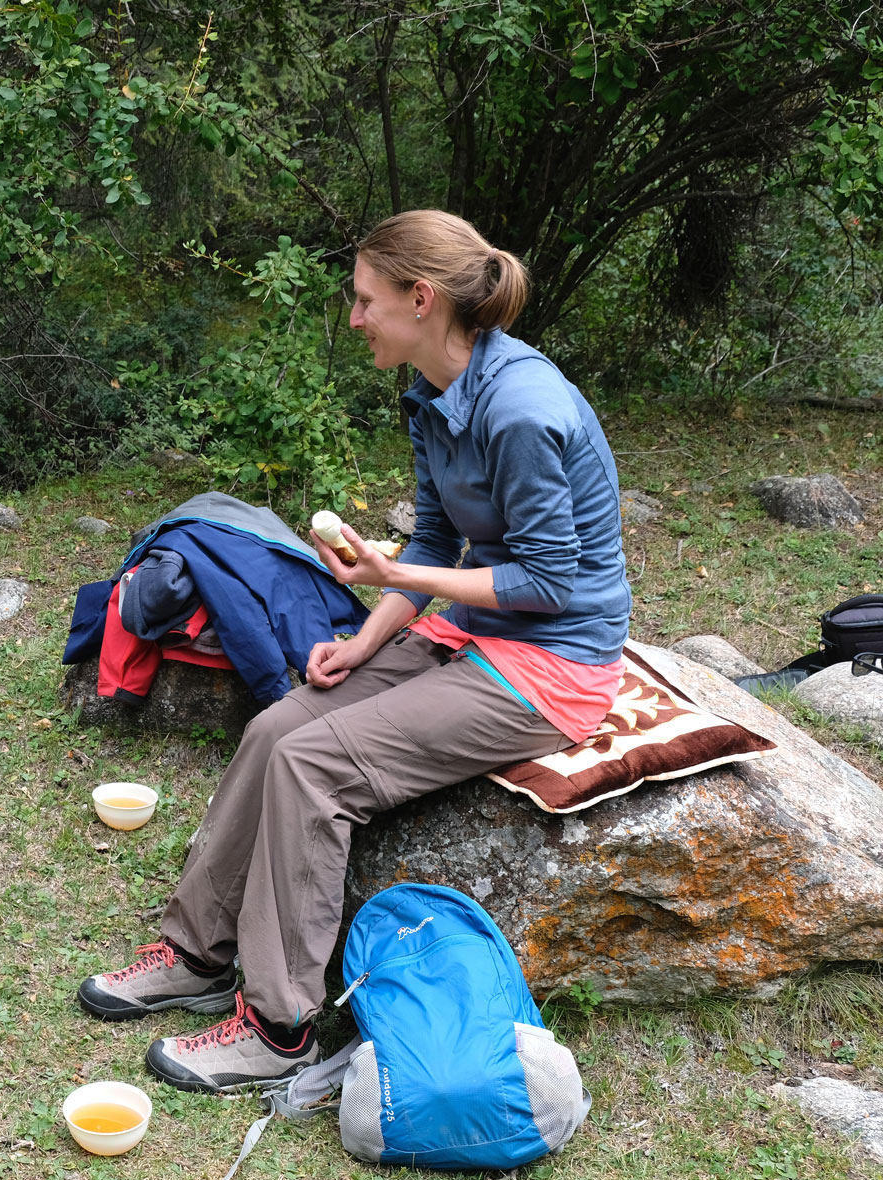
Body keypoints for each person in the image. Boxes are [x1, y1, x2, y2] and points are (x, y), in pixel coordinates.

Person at [75, 210, 631, 1093]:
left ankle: (279, 1023)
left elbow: (550, 586)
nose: (355, 318)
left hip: (551, 664)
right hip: (470, 630)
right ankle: (196, 953)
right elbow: (445, 541)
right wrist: (364, 637)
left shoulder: (522, 409)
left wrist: (392, 571)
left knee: (313, 765)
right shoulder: (431, 392)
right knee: (276, 728)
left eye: (367, 300)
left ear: (422, 299)